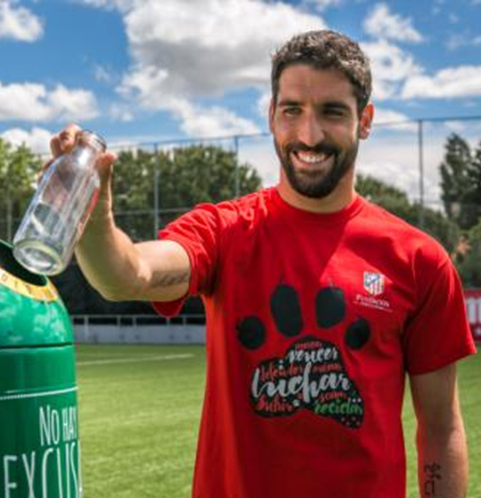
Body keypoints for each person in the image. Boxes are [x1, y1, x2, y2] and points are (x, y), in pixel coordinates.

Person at [47, 30, 477, 498]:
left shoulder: (418, 260)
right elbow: (127, 275)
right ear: (272, 116)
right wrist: (93, 215)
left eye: (332, 112)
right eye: (293, 110)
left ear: (365, 120)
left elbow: (440, 427)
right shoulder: (226, 231)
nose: (309, 135)